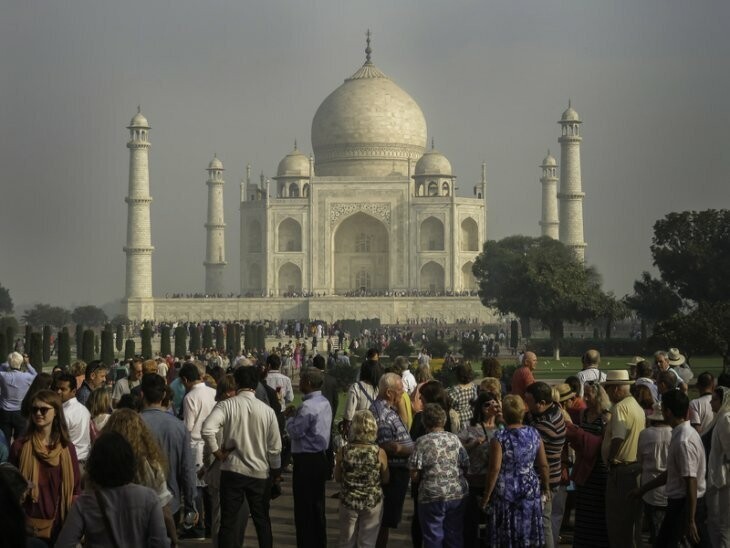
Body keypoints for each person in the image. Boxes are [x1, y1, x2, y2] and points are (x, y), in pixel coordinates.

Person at [201, 366, 282, 548]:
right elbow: (275, 448)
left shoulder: (227, 405)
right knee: (262, 521)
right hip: (259, 472)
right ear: (256, 384)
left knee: (228, 521)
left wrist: (217, 453)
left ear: (236, 383)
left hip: (233, 470)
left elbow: (207, 429)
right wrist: (276, 473)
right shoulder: (267, 411)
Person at [55, 431, 170, 547]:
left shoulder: (85, 502)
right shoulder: (149, 498)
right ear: (129, 462)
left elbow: (64, 543)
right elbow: (160, 543)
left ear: (95, 464)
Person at [632, 389, 709, 547]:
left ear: (667, 412)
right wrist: (643, 489)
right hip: (684, 504)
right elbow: (674, 473)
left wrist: (691, 519)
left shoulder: (684, 440)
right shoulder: (683, 434)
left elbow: (691, 480)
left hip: (684, 504)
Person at [9, 389, 81, 544]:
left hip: (60, 526)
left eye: (44, 409)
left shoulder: (67, 448)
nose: (38, 413)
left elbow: (75, 489)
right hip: (27, 527)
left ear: (56, 412)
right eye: (34, 409)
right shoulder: (19, 447)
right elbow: (10, 490)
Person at [481, 394, 549, 547]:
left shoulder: (500, 436)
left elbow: (495, 468)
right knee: (527, 530)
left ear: (504, 413)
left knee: (507, 531)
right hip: (529, 487)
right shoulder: (533, 433)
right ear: (523, 411)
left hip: (506, 490)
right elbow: (543, 464)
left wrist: (486, 496)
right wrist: (546, 487)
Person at [102, 409, 177, 546]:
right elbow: (164, 507)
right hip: (142, 535)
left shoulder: (100, 464)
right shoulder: (151, 466)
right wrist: (174, 537)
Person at [139, 373, 198, 532]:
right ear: (164, 395)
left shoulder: (132, 424)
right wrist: (191, 505)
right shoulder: (178, 427)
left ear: (141, 394)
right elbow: (187, 469)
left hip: (137, 503)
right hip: (171, 503)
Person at [409, 403, 469, 548]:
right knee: (454, 535)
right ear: (443, 420)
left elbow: (414, 475)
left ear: (425, 422)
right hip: (456, 493)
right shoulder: (454, 439)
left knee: (432, 537)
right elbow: (466, 464)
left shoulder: (421, 442)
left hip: (431, 495)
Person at [285, 367, 332, 548]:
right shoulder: (324, 402)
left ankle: (306, 543)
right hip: (319, 457)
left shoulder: (307, 406)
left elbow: (296, 432)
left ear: (309, 383)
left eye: (302, 380)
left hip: (306, 460)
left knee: (304, 508)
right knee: (317, 505)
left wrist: (289, 418)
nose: (300, 383)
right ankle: (319, 541)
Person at [601, 369, 645, 548]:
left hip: (621, 470)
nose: (609, 393)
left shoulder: (620, 408)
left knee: (618, 525)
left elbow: (618, 437)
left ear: (617, 389)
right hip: (635, 468)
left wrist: (611, 460)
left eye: (610, 389)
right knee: (631, 524)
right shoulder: (635, 405)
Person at [371, 372, 415, 548]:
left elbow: (402, 428)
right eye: (399, 390)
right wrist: (410, 449)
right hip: (392, 473)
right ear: (389, 393)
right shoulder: (383, 414)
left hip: (396, 472)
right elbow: (387, 445)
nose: (403, 392)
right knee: (384, 520)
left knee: (386, 521)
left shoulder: (389, 409)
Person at [335, 409, 389, 548]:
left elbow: (337, 477)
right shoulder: (379, 452)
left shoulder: (344, 451)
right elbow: (385, 479)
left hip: (348, 500)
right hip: (372, 500)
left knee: (346, 541)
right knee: (367, 542)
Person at [568, 380, 611, 548]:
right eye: (584, 394)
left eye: (589, 394)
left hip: (599, 470)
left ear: (598, 396)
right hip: (585, 468)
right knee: (584, 509)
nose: (585, 398)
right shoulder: (583, 414)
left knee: (598, 509)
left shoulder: (606, 416)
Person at [524, 381, 566, 548]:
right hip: (551, 476)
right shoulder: (554, 410)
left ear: (541, 404)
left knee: (543, 522)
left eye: (529, 402)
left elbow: (524, 435)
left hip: (545, 481)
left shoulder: (544, 426)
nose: (526, 406)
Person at [457, 391, 500, 547]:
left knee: (491, 524)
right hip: (473, 481)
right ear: (480, 408)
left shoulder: (502, 427)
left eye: (494, 403)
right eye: (486, 404)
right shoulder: (471, 427)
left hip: (494, 482)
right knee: (471, 523)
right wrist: (472, 444)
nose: (490, 408)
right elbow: (458, 448)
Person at [179, 361, 217, 540]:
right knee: (209, 488)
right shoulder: (213, 392)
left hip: (196, 445)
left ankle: (196, 526)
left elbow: (188, 426)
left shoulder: (190, 397)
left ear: (186, 380)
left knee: (195, 490)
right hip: (212, 444)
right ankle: (210, 526)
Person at [637, 402, 672, 544]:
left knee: (654, 528)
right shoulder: (674, 432)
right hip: (670, 488)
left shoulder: (645, 434)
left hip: (649, 488)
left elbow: (640, 460)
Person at [706, 386, 730, 548]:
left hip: (723, 482)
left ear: (723, 402)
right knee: (714, 523)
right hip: (716, 479)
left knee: (723, 526)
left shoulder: (726, 419)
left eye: (714, 399)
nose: (710, 402)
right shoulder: (719, 418)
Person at [52, 373, 91, 465]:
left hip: (69, 460)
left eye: (63, 389)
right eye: (57, 388)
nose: (58, 392)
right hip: (84, 459)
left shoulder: (64, 413)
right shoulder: (84, 409)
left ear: (73, 391)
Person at [0, 351, 38, 443]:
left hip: (4, 410)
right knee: (20, 439)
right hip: (20, 411)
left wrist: (9, 361)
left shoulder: (3, 375)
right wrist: (27, 363)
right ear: (21, 363)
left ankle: (6, 456)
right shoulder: (26, 377)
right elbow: (35, 374)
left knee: (5, 438)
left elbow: (1, 366)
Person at [342, 359, 380, 436]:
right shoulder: (379, 389)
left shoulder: (356, 387)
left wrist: (345, 430)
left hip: (358, 431)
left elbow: (349, 413)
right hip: (374, 431)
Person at [447, 362, 477, 427]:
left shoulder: (455, 390)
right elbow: (475, 401)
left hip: (459, 419)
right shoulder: (473, 386)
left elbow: (449, 404)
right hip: (470, 416)